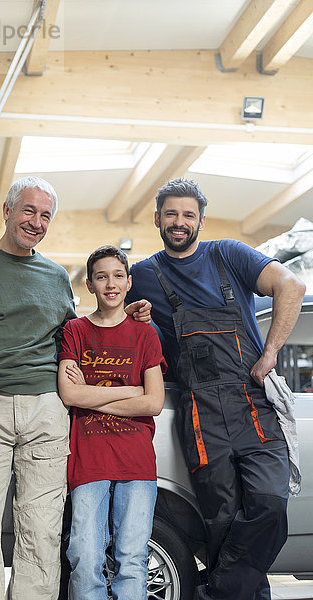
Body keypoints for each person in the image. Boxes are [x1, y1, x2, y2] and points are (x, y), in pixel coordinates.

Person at [0, 177, 150, 600]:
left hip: (47, 414)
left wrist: (124, 314)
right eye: (29, 210)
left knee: (42, 540)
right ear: (7, 211)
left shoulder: (54, 276)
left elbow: (74, 336)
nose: (36, 221)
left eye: (45, 215)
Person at [125, 178, 306, 600]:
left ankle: (218, 590)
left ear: (201, 220)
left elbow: (291, 286)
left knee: (270, 505)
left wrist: (271, 352)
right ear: (157, 219)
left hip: (252, 401)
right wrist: (138, 318)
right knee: (221, 520)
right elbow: (114, 318)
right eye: (171, 213)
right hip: (198, 411)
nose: (179, 221)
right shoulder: (143, 275)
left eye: (188, 214)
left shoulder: (228, 254)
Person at [57, 245, 167, 600]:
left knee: (132, 560)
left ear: (129, 282)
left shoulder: (145, 335)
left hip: (136, 461)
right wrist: (129, 393)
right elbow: (70, 396)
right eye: (101, 277)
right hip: (88, 461)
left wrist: (93, 394)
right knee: (85, 558)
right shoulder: (75, 330)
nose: (110, 284)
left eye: (118, 276)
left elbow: (154, 402)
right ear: (89, 284)